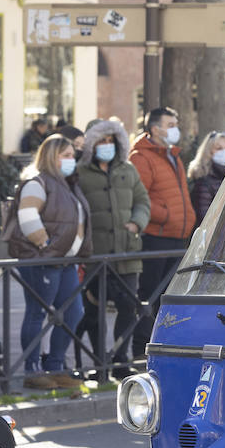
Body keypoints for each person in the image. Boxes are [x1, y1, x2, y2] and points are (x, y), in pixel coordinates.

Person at [7, 134, 89, 389]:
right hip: (43, 260)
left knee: (74, 312)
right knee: (37, 313)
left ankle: (55, 365)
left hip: (64, 261)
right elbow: (28, 216)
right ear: (51, 157)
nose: (71, 160)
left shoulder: (66, 184)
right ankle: (32, 370)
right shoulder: (37, 182)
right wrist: (47, 246)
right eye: (65, 155)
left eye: (72, 155)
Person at [75, 118, 149, 377]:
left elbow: (142, 201)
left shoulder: (128, 169)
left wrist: (136, 223)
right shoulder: (80, 172)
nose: (106, 145)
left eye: (110, 141)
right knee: (93, 312)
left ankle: (120, 360)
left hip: (127, 253)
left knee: (128, 308)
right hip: (95, 255)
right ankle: (99, 364)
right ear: (91, 144)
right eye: (101, 141)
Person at [128, 106, 195, 357]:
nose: (175, 128)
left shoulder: (172, 155)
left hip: (177, 235)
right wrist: (167, 215)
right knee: (150, 295)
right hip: (156, 236)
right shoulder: (141, 157)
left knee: (171, 296)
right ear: (155, 129)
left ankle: (166, 344)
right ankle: (140, 349)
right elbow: (139, 198)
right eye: (170, 124)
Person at [188, 130, 225, 222]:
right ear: (208, 151)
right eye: (219, 148)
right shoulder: (203, 181)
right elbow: (204, 217)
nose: (224, 151)